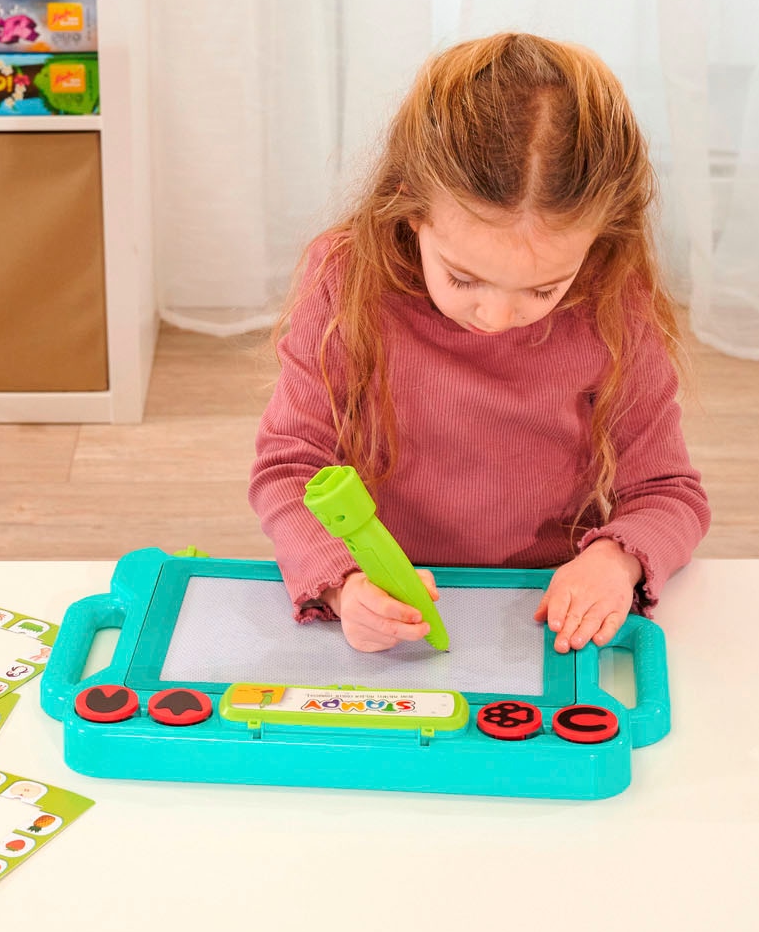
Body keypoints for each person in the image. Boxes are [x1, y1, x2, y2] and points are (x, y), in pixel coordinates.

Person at [251, 32, 709, 654]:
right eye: (463, 278)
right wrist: (343, 582)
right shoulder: (346, 279)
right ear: (408, 209)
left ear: (602, 239)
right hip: (389, 600)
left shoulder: (613, 302)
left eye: (545, 288)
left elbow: (666, 493)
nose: (496, 317)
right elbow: (290, 469)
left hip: (541, 609)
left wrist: (615, 560)